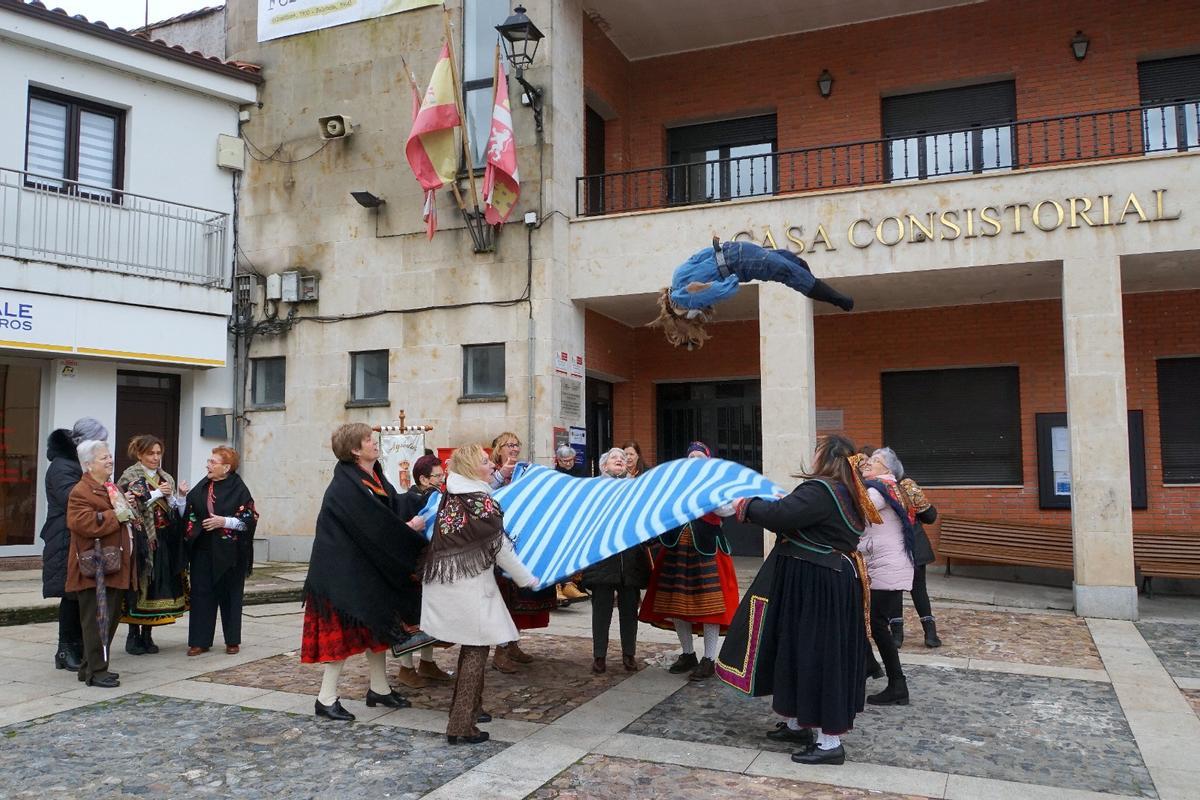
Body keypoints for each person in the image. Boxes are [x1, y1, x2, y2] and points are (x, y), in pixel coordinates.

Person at [715, 434, 878, 766]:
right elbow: (793, 513)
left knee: (817, 655)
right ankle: (797, 722)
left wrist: (742, 504)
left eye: (817, 451)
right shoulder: (842, 491)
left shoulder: (823, 490)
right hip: (818, 580)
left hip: (819, 583)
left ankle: (829, 743)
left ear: (826, 457)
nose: (813, 456)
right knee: (797, 649)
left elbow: (781, 516)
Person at [301, 424, 429, 721]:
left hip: (363, 569)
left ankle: (379, 689)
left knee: (377, 629)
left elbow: (392, 505)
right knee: (341, 639)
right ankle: (325, 698)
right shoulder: (346, 485)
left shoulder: (371, 475)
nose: (375, 443)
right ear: (355, 450)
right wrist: (408, 529)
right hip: (339, 575)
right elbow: (374, 525)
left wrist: (423, 498)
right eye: (369, 440)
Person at [419, 443, 538, 744]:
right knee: (476, 649)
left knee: (473, 649)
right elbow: (500, 548)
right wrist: (528, 579)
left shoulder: (452, 496)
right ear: (473, 468)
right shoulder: (480, 502)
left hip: (450, 583)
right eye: (485, 461)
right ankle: (461, 724)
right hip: (467, 587)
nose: (491, 466)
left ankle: (468, 715)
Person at [638, 442, 739, 681]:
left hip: (707, 551)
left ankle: (709, 659)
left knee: (710, 607)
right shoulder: (675, 485)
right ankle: (688, 653)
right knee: (677, 606)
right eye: (690, 456)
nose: (694, 460)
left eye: (699, 457)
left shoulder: (717, 484)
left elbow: (728, 510)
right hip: (676, 550)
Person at [650, 238, 854, 349]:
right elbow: (703, 254)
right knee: (790, 261)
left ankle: (841, 301)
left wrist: (732, 278)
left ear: (680, 319)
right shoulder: (677, 276)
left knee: (787, 272)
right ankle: (813, 283)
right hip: (737, 248)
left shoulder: (684, 301)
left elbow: (721, 290)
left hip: (739, 264)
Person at [66, 439, 136, 688]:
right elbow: (81, 522)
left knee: (109, 617)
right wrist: (115, 515)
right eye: (104, 458)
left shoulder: (109, 487)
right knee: (98, 620)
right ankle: (97, 672)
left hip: (112, 564)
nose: (110, 461)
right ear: (88, 465)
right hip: (95, 567)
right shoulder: (81, 491)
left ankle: (88, 667)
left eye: (109, 456)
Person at [40, 417, 107, 673]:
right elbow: (74, 499)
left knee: (80, 593)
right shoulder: (62, 467)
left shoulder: (78, 465)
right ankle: (66, 648)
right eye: (99, 441)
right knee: (70, 594)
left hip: (79, 536)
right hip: (64, 536)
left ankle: (79, 645)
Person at [116, 435, 189, 656]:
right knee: (140, 583)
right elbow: (129, 505)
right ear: (140, 454)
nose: (155, 457)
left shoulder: (166, 477)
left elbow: (174, 510)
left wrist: (178, 497)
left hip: (163, 538)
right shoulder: (130, 475)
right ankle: (132, 634)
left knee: (157, 586)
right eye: (151, 453)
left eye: (158, 453)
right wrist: (158, 493)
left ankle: (147, 634)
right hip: (142, 539)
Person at [489, 432, 556, 671]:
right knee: (503, 600)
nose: (515, 449)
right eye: (510, 445)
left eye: (517, 444)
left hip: (520, 543)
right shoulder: (491, 471)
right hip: (496, 545)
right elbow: (483, 493)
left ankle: (512, 644)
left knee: (517, 598)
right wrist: (501, 475)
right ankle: (500, 652)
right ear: (498, 448)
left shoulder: (523, 471)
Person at [581, 447, 650, 674]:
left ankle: (628, 654)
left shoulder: (637, 489)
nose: (620, 460)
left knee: (630, 610)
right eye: (614, 458)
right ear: (604, 466)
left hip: (630, 560)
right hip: (602, 559)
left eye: (622, 458)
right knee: (601, 611)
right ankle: (599, 655)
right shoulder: (593, 489)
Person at [183, 447, 257, 658]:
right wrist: (180, 498)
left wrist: (222, 521)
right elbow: (190, 513)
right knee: (201, 595)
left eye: (213, 462)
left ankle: (232, 640)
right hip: (203, 551)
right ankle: (199, 641)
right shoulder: (202, 486)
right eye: (209, 460)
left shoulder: (239, 489)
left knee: (231, 596)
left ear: (226, 467)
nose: (208, 464)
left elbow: (249, 520)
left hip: (230, 553)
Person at [857, 448, 917, 707]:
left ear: (888, 470)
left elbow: (859, 512)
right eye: (869, 460)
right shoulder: (889, 488)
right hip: (889, 564)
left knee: (876, 625)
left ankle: (895, 683)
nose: (869, 464)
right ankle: (877, 671)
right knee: (874, 624)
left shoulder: (877, 490)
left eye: (876, 461)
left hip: (885, 567)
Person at [395, 454, 455, 690]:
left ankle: (427, 663)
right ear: (423, 478)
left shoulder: (436, 497)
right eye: (437, 476)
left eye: (442, 476)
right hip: (412, 567)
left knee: (431, 616)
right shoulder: (408, 500)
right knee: (411, 619)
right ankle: (406, 668)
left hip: (432, 565)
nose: (441, 481)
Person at [895, 469, 941, 648]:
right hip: (915, 544)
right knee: (919, 589)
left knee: (894, 589)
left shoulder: (875, 487)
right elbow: (930, 516)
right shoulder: (907, 485)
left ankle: (896, 635)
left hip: (892, 546)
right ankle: (930, 634)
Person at [553, 445, 589, 605]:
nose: (568, 464)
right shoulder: (554, 474)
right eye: (564, 461)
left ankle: (574, 584)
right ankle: (558, 586)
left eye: (570, 460)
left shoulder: (582, 471)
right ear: (558, 460)